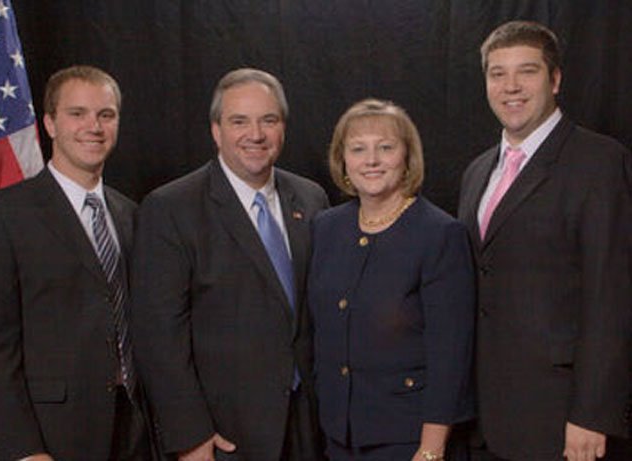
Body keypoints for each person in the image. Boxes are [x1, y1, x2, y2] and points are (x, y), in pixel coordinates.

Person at [131, 67, 329, 460]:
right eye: (239, 121)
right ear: (216, 130)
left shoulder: (311, 199)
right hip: (224, 435)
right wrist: (189, 434)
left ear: (282, 128)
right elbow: (158, 336)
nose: (255, 134)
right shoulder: (171, 208)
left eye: (268, 120)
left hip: (308, 423)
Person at [458, 20, 632, 461]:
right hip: (486, 416)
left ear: (555, 80)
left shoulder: (600, 163)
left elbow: (611, 297)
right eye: (498, 73)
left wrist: (594, 413)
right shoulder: (477, 171)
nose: (510, 86)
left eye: (527, 71)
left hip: (564, 418)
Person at [0, 65, 156, 460]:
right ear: (49, 123)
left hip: (132, 431)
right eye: (77, 113)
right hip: (47, 439)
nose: (94, 126)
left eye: (106, 115)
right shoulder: (0, 214)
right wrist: (24, 449)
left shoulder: (133, 215)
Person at [309, 98, 475, 461]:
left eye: (385, 148)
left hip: (409, 438)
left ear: (407, 158)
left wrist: (431, 448)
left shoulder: (440, 234)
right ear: (343, 161)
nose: (371, 160)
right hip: (340, 434)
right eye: (358, 149)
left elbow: (451, 353)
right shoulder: (327, 227)